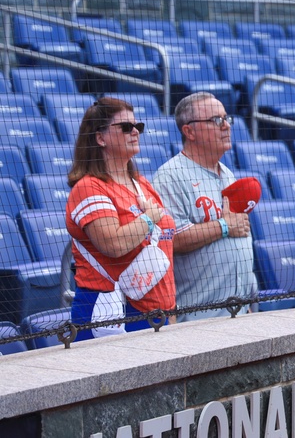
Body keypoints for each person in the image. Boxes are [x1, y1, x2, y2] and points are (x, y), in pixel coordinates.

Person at [66, 97, 176, 341]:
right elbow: (113, 244)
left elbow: (165, 244)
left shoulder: (142, 183)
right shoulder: (89, 187)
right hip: (111, 312)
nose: (135, 131)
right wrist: (148, 219)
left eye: (138, 127)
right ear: (100, 138)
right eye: (125, 127)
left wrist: (170, 312)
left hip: (157, 314)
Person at [152, 93, 255, 321]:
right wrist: (224, 226)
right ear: (189, 131)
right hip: (198, 316)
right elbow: (172, 239)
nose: (226, 126)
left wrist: (246, 301)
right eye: (216, 120)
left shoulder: (227, 173)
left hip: (238, 312)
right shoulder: (170, 176)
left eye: (227, 118)